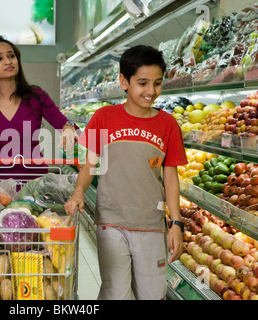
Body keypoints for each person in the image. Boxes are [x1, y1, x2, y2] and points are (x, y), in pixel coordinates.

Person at [64, 45, 188, 300]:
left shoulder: (168, 125)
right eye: (143, 83)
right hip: (111, 221)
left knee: (152, 295)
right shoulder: (104, 117)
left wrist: (176, 222)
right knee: (115, 293)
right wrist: (78, 192)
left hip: (151, 224)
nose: (151, 92)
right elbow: (90, 164)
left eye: (157, 83)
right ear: (124, 81)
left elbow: (170, 176)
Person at [0, 35, 78, 178]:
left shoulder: (36, 96)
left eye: (11, 56)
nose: (8, 61)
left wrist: (68, 126)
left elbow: (67, 125)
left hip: (36, 186)